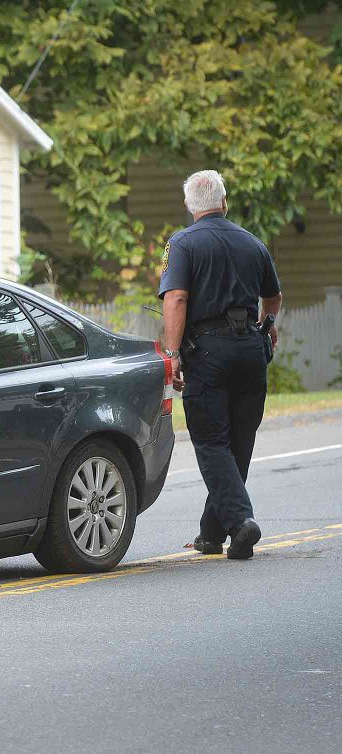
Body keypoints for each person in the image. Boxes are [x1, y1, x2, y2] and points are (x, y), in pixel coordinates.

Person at [158, 169, 283, 560]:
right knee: (238, 442)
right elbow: (274, 296)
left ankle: (241, 523)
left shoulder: (182, 244)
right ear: (224, 203)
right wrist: (267, 326)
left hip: (208, 350)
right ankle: (211, 533)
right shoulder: (252, 242)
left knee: (212, 442)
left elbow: (176, 297)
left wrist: (174, 354)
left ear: (188, 206)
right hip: (250, 348)